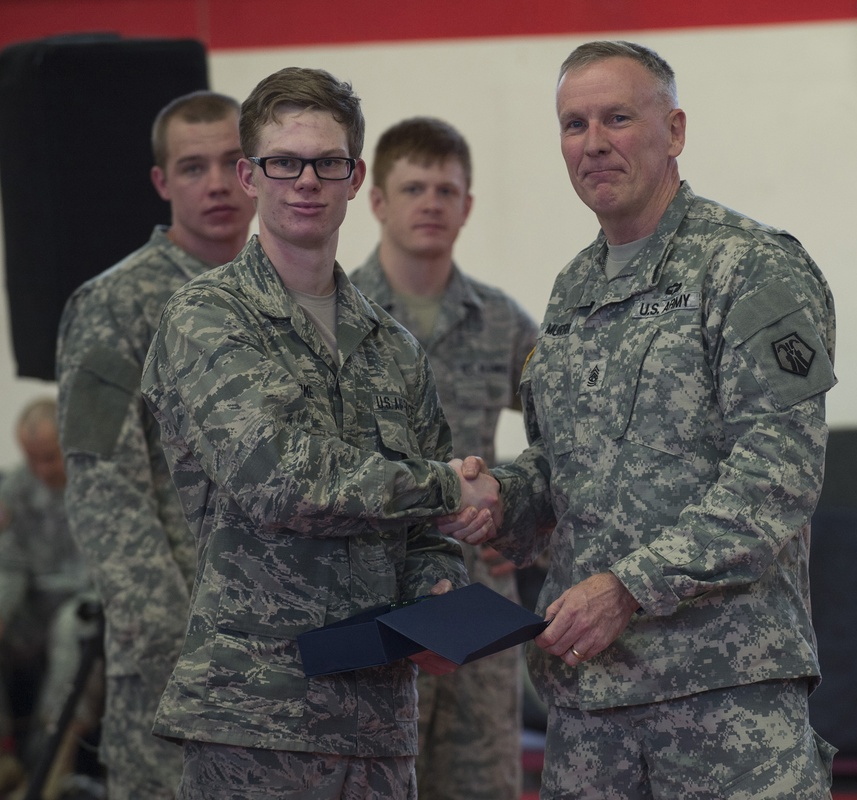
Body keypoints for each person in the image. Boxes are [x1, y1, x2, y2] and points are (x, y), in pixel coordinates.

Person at [443, 40, 839, 799]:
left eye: (617, 118)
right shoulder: (572, 289)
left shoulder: (749, 267)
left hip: (724, 701)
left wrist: (628, 585)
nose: (593, 144)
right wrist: (498, 498)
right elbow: (562, 470)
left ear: (675, 131)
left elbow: (778, 478)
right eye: (573, 124)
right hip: (591, 708)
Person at [139, 66, 500, 800]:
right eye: (284, 163)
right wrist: (444, 485)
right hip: (257, 722)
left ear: (353, 177)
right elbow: (281, 480)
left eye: (327, 163)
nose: (306, 181)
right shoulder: (208, 316)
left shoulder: (394, 346)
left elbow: (431, 528)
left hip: (378, 728)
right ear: (250, 176)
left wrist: (436, 590)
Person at [56, 90, 257, 798]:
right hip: (182, 661)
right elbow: (102, 486)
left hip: (291, 662)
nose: (215, 183)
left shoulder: (292, 295)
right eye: (192, 166)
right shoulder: (115, 306)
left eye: (233, 162)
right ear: (161, 183)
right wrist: (173, 640)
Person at [350, 117, 537, 800]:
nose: (431, 202)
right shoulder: (336, 318)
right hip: (374, 594)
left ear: (467, 206)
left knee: (483, 786)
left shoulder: (500, 319)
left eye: (446, 189)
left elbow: (572, 427)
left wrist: (526, 513)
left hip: (480, 597)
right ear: (377, 201)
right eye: (413, 187)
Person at [0, 398, 91, 785]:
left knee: (70, 630)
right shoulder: (18, 487)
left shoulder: (101, 480)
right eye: (32, 458)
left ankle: (49, 767)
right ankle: (5, 756)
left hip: (87, 605)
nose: (42, 470)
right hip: (37, 605)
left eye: (50, 458)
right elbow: (11, 565)